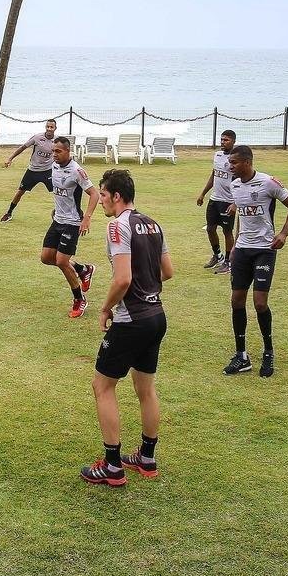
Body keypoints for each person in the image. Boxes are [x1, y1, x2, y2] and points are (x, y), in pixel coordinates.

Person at [81, 169, 173, 487]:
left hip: (131, 319)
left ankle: (112, 466)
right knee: (145, 389)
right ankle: (146, 458)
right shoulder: (154, 224)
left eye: (103, 195)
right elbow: (168, 272)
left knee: (102, 386)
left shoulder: (117, 226)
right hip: (156, 316)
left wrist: (106, 308)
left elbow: (122, 279)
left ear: (116, 196)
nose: (101, 200)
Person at [223, 145, 288, 378]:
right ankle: (241, 356)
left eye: (234, 163)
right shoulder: (234, 186)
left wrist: (283, 234)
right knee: (237, 300)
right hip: (243, 250)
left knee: (259, 303)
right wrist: (235, 245)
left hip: (265, 250)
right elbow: (242, 219)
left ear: (247, 162)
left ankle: (268, 352)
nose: (230, 166)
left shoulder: (268, 183)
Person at [40, 136, 98, 318]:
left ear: (68, 151)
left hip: (72, 223)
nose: (54, 154)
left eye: (58, 151)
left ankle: (79, 299)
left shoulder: (77, 171)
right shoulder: (54, 165)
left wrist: (86, 218)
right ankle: (83, 269)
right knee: (46, 257)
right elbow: (60, 192)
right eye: (53, 151)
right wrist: (56, 208)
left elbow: (94, 194)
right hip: (57, 220)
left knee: (62, 261)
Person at [0, 118, 57, 222]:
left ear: (55, 128)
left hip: (48, 171)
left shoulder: (57, 141)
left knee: (58, 192)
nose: (49, 129)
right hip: (33, 171)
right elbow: (23, 147)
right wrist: (10, 158)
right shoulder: (37, 137)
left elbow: (62, 154)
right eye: (47, 126)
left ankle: (58, 213)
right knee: (20, 192)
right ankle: (9, 213)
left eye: (51, 127)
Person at [196, 129, 237, 273]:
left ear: (233, 141)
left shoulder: (235, 158)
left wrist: (235, 203)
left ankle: (228, 261)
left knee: (227, 232)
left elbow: (241, 181)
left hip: (228, 201)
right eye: (221, 139)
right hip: (214, 199)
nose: (223, 142)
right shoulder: (218, 155)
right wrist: (203, 194)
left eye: (226, 140)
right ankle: (217, 255)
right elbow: (214, 175)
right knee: (210, 228)